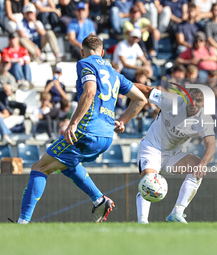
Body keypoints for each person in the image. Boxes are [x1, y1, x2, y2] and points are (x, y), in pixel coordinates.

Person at [16, 34, 147, 224]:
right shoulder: (114, 72)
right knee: (68, 164)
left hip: (86, 130)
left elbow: (90, 91)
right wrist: (123, 120)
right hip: (106, 136)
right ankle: (99, 199)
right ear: (102, 53)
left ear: (82, 51)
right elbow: (141, 99)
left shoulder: (85, 63)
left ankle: (22, 223)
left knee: (39, 168)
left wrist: (73, 122)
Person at [133, 83, 216, 223]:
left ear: (204, 103)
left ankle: (177, 213)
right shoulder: (171, 101)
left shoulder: (205, 119)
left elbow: (211, 145)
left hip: (173, 156)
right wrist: (119, 82)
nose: (193, 103)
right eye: (191, 98)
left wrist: (203, 163)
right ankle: (143, 222)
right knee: (148, 180)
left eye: (199, 100)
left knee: (197, 166)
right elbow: (147, 90)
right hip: (151, 149)